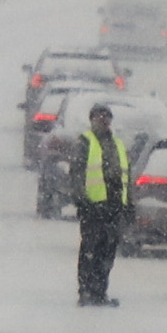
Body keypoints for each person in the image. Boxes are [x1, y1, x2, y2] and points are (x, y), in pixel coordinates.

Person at [69, 101, 132, 306]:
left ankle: (100, 292)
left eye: (107, 117)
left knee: (107, 252)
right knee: (90, 250)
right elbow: (76, 174)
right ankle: (85, 292)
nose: (104, 121)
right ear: (92, 119)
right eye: (99, 117)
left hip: (113, 207)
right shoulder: (84, 143)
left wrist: (128, 204)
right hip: (93, 208)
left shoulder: (118, 144)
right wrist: (82, 201)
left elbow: (125, 176)